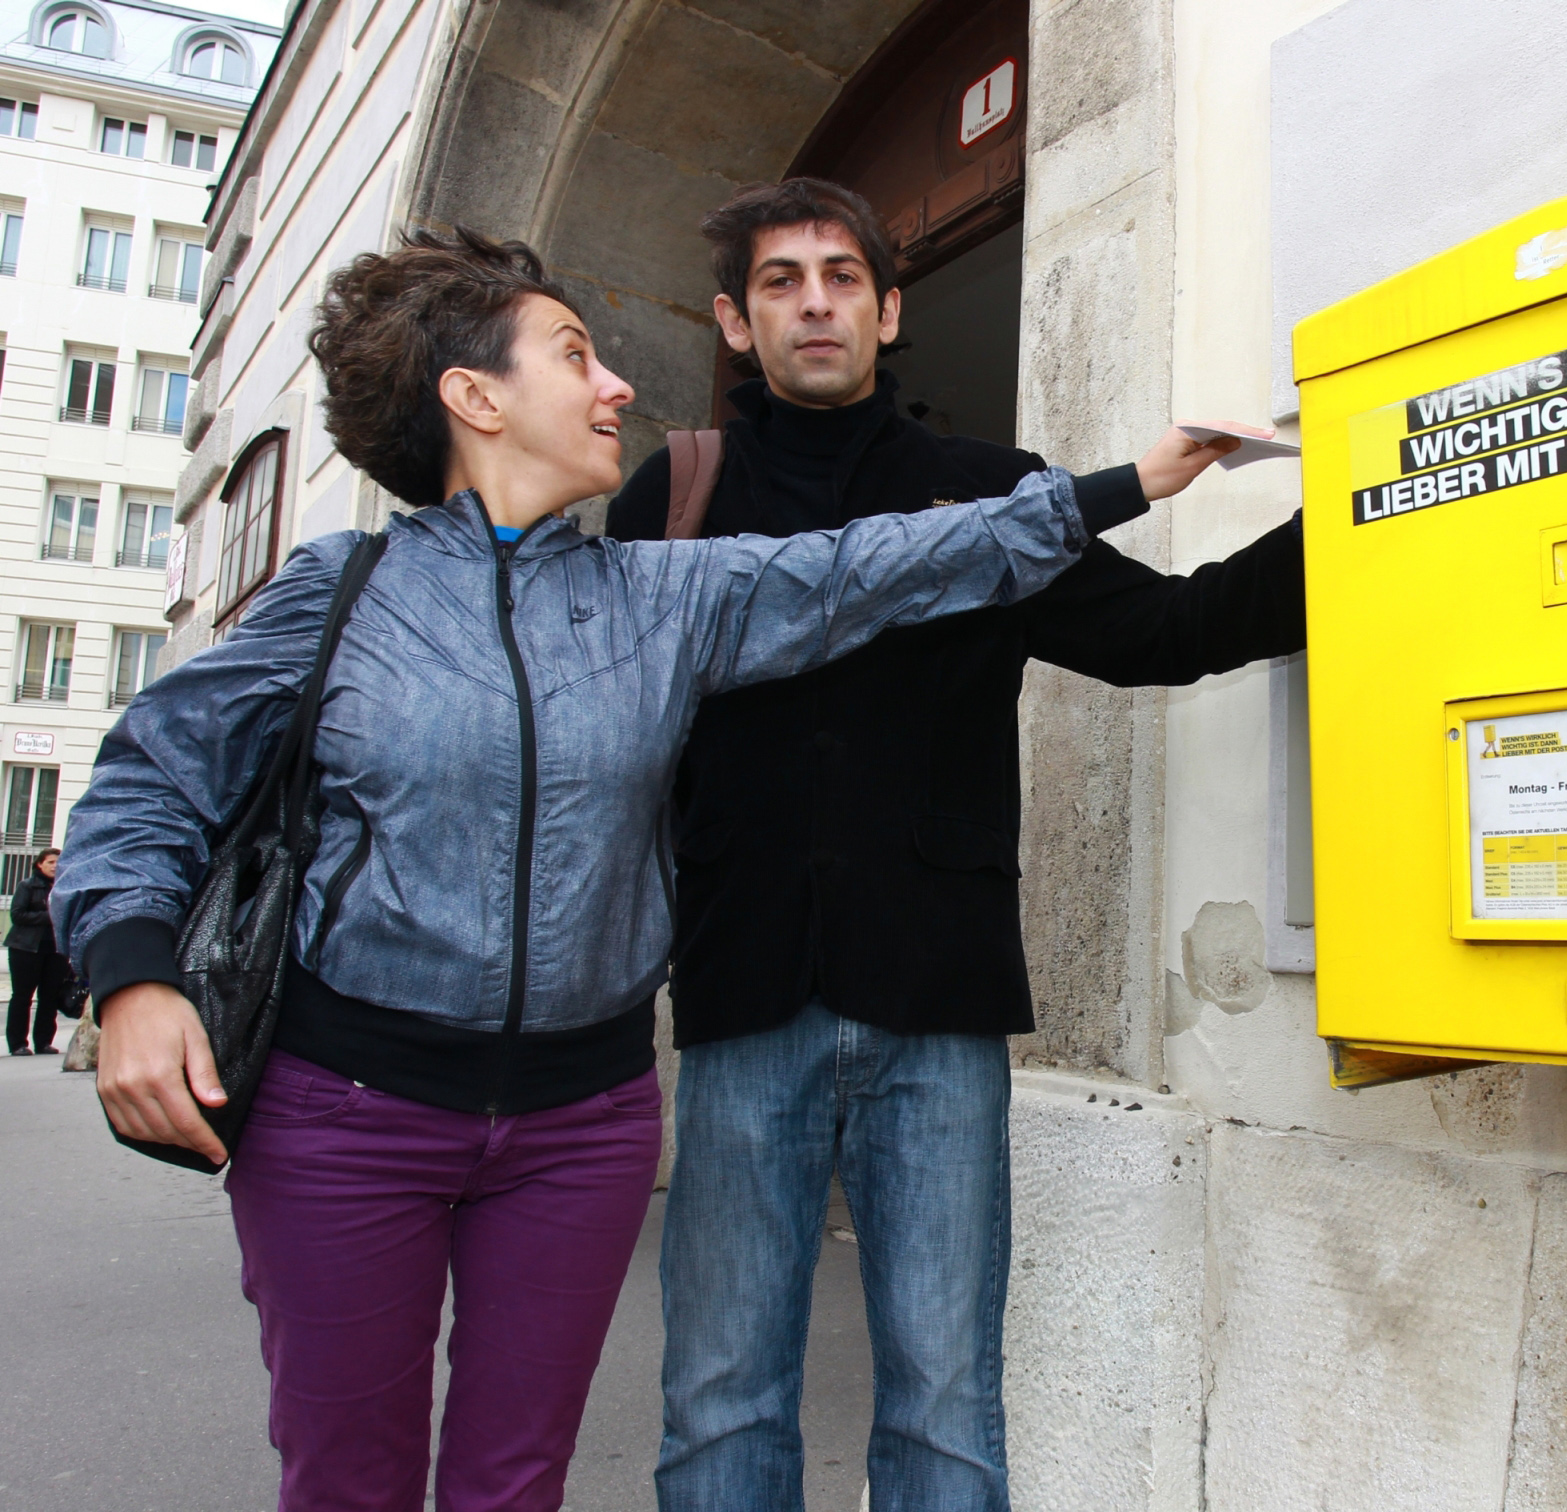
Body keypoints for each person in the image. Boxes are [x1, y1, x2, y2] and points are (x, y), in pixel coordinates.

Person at [48, 227, 1238, 1512]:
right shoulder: (344, 591)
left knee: (514, 1484)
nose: (618, 383)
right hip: (348, 1111)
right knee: (350, 1482)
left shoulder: (658, 595)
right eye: (576, 355)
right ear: (475, 396)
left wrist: (1119, 486)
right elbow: (155, 775)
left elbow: (874, 565)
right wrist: (132, 975)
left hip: (580, 1122)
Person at [606, 179, 1305, 1511]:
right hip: (742, 994)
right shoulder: (676, 494)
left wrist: (1379, 510)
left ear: (888, 309)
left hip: (937, 1001)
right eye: (781, 282)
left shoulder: (990, 492)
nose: (816, 303)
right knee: (718, 1400)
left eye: (843, 278)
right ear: (736, 323)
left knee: (944, 1408)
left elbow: (1171, 631)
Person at [6, 847, 66, 1054]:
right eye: (50, 862)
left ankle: (44, 1042)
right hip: (26, 948)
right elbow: (18, 915)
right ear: (40, 864)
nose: (55, 866)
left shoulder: (64, 887)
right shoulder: (27, 886)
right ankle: (18, 1044)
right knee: (22, 996)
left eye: (58, 862)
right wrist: (51, 916)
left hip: (56, 949)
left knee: (50, 996)